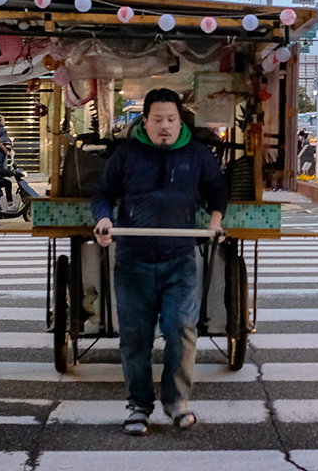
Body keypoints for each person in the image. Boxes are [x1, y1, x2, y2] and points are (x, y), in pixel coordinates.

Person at [91, 88, 229, 437]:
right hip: (132, 261)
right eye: (158, 120)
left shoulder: (196, 155)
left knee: (182, 330)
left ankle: (177, 401)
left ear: (179, 120)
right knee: (135, 338)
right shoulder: (127, 154)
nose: (165, 126)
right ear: (145, 121)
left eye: (171, 119)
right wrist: (104, 220)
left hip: (179, 259)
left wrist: (215, 221)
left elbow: (217, 189)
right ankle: (139, 406)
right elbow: (104, 192)